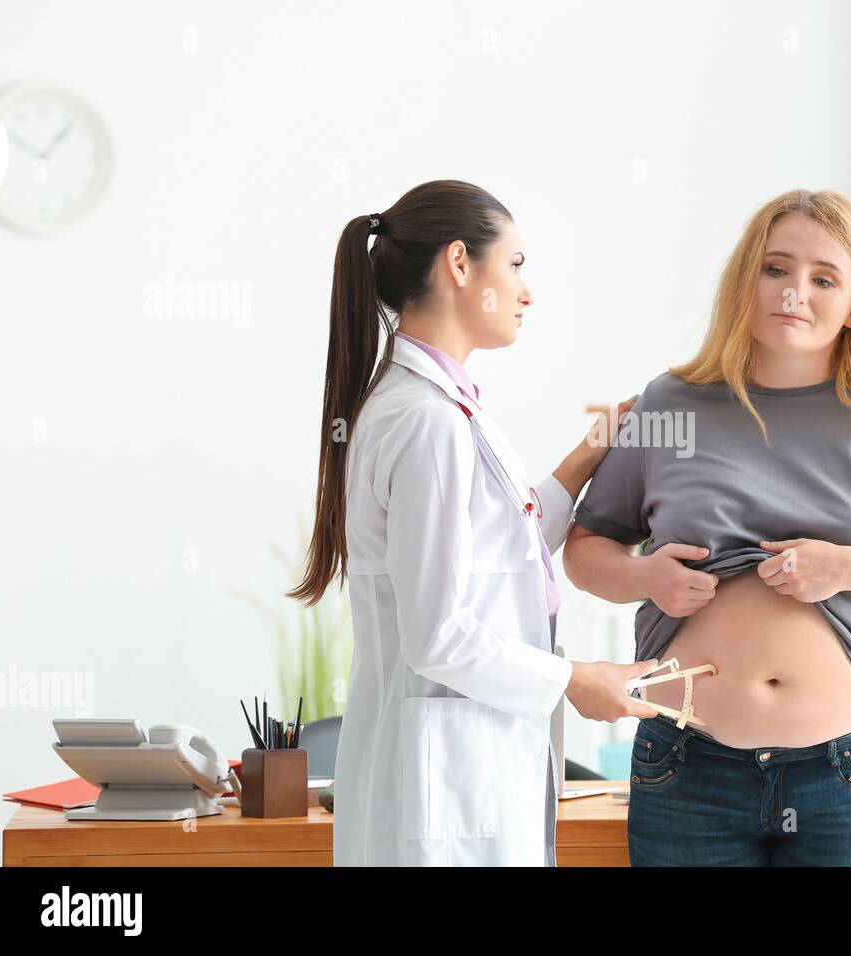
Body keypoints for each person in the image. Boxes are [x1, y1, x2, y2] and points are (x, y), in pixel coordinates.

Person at [563, 188, 851, 866]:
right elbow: (586, 548)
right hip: (687, 770)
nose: (795, 291)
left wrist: (846, 568)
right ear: (748, 279)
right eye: (776, 269)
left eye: (824, 278)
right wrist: (643, 575)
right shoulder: (669, 404)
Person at [289, 179, 659, 866]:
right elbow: (437, 636)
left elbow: (501, 549)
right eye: (515, 265)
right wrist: (576, 680)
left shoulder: (440, 408)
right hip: (441, 793)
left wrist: (594, 448)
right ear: (460, 264)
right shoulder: (426, 421)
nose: (528, 291)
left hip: (453, 774)